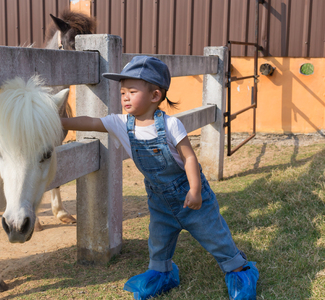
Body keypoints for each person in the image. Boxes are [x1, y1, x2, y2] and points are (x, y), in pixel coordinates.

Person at [61, 56, 259, 300]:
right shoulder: (120, 123)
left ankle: (241, 272)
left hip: (190, 197)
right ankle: (162, 274)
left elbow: (189, 159)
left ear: (155, 96)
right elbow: (90, 122)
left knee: (215, 237)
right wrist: (59, 121)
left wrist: (195, 191)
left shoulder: (171, 125)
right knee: (158, 241)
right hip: (159, 200)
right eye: (123, 92)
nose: (124, 97)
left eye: (132, 91)